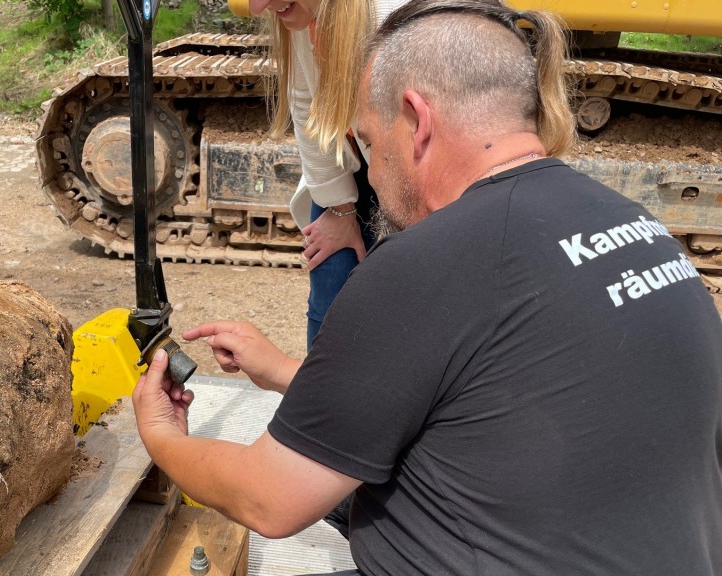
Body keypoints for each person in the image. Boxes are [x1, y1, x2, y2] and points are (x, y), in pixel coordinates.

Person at [131, 0, 722, 574]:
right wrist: (286, 370)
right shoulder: (637, 227)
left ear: (417, 120)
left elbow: (269, 499)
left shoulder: (422, 265)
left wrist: (162, 434)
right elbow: (495, 392)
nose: (371, 169)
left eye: (365, 139)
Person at [248, 0, 405, 347]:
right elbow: (306, 102)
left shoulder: (400, 20)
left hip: (414, 180)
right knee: (330, 288)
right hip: (351, 166)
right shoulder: (309, 16)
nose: (257, 8)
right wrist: (339, 207)